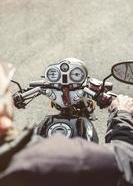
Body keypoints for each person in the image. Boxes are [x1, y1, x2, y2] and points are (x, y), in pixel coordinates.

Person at [0, 61, 133, 186]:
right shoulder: (67, 158)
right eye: (6, 90)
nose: (10, 92)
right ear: (3, 117)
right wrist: (122, 113)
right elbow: (124, 161)